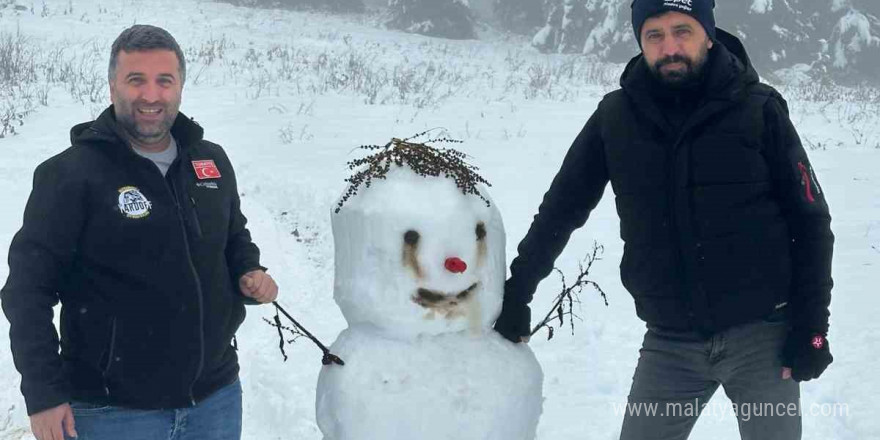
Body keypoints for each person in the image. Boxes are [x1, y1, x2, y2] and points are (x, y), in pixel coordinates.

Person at [494, 0, 834, 438]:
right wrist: (518, 292)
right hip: (670, 343)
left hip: (764, 339)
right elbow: (563, 207)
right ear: (640, 41)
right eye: (654, 34)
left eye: (682, 30)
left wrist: (812, 328)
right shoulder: (614, 117)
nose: (669, 46)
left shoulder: (758, 109)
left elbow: (811, 222)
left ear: (708, 36)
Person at [1, 24, 278, 440]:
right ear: (113, 85)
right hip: (112, 411)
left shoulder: (210, 161)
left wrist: (249, 270)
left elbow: (233, 236)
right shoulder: (72, 175)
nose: (151, 95)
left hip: (215, 399)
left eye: (164, 81)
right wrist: (42, 393)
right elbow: (27, 290)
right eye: (136, 80)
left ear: (180, 85)